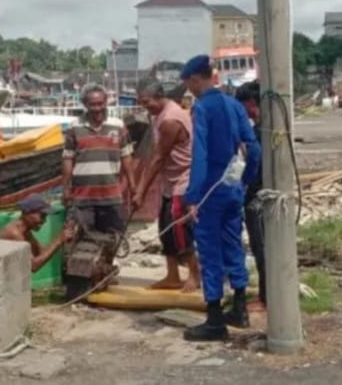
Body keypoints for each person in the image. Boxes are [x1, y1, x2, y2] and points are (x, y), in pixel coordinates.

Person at [179, 55, 261, 342]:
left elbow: (199, 155)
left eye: (188, 83)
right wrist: (246, 179)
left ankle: (214, 319)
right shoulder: (233, 104)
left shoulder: (202, 108)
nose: (189, 89)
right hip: (232, 189)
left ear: (195, 79)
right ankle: (239, 308)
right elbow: (253, 148)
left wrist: (192, 196)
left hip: (210, 193)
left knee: (210, 253)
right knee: (233, 246)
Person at [133, 79, 201, 292]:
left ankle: (194, 274)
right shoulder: (157, 116)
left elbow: (159, 157)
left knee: (180, 230)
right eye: (142, 103)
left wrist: (141, 190)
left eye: (147, 102)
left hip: (183, 180)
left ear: (159, 97)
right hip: (169, 181)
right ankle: (172, 275)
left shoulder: (170, 119)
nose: (146, 107)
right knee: (165, 230)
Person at [62, 84, 136, 235]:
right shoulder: (74, 127)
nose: (97, 108)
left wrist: (132, 186)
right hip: (82, 196)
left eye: (100, 103)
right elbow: (68, 159)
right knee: (82, 240)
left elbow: (127, 157)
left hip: (112, 195)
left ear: (106, 101)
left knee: (113, 240)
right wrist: (65, 189)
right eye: (92, 104)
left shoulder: (118, 125)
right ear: (85, 104)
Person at [235, 80, 266, 308]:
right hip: (264, 194)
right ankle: (267, 293)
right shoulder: (265, 128)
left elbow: (254, 159)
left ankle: (266, 296)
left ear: (251, 104)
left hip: (257, 195)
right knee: (263, 247)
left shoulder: (257, 132)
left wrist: (243, 183)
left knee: (261, 246)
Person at [0, 195, 76, 272]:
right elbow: (33, 266)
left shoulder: (26, 232)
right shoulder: (14, 233)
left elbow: (41, 253)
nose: (44, 221)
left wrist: (61, 237)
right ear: (27, 212)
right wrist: (58, 240)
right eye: (42, 216)